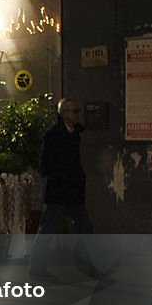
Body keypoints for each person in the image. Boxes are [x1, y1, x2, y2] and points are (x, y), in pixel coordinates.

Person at [29, 97, 95, 277]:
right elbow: (45, 164)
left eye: (77, 111)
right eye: (74, 111)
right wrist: (62, 175)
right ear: (63, 113)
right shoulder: (53, 135)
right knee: (48, 229)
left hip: (73, 192)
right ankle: (36, 267)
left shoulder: (74, 134)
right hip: (58, 191)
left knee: (85, 228)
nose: (77, 115)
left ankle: (91, 265)